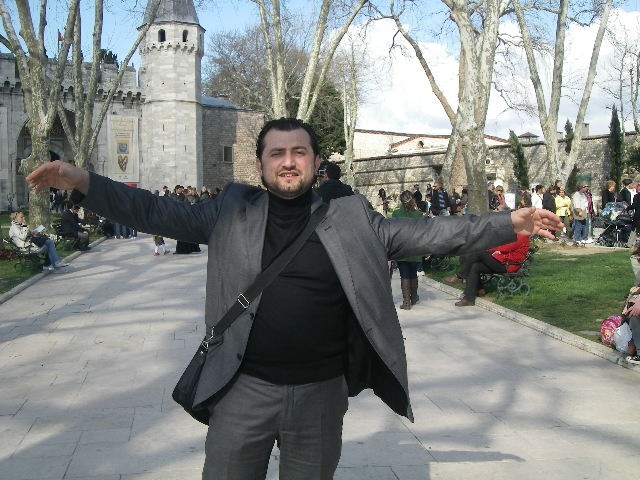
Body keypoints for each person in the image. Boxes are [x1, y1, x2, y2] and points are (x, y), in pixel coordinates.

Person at [26, 117, 562, 480]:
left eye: (298, 152)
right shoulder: (230, 210)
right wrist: (82, 180)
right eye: (277, 153)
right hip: (242, 390)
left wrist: (507, 222)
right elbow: (150, 210)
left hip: (320, 395)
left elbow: (429, 233)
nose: (288, 162)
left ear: (315, 162)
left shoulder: (351, 215)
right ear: (260, 164)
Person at [443, 234, 531, 306]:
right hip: (500, 260)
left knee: (478, 253)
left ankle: (460, 276)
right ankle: (471, 297)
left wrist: (489, 249)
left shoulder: (522, 235)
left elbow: (505, 247)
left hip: (507, 265)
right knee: (474, 266)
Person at [391, 191, 424, 309]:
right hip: (415, 247)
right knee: (413, 273)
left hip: (401, 248)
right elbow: (423, 233)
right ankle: (414, 297)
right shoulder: (419, 214)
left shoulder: (396, 214)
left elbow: (392, 232)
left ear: (401, 201)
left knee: (404, 274)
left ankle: (406, 302)